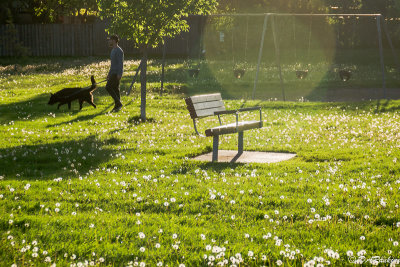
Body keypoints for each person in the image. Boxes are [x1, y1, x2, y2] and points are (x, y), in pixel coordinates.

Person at [106, 34, 124, 112]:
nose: (109, 41)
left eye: (110, 39)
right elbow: (112, 64)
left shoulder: (119, 51)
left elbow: (121, 63)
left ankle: (118, 103)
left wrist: (120, 74)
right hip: (112, 72)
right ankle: (117, 106)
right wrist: (109, 74)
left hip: (116, 73)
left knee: (108, 87)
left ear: (114, 40)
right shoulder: (113, 50)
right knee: (116, 89)